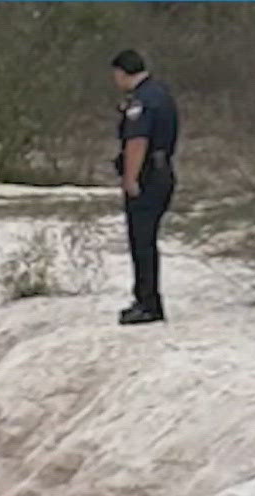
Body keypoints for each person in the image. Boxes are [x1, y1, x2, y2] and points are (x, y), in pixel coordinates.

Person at [111, 48, 180, 326]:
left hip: (148, 176)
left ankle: (148, 304)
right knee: (145, 238)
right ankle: (146, 299)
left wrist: (130, 178)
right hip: (163, 171)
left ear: (121, 72)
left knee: (141, 240)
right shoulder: (160, 93)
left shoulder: (142, 101)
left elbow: (137, 142)